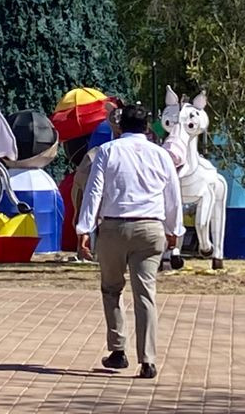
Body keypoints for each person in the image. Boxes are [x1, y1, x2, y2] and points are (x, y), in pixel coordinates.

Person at [75, 103, 184, 381]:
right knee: (145, 294)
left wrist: (84, 227)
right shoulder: (161, 155)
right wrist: (174, 230)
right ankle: (147, 359)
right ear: (147, 127)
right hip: (150, 228)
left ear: (120, 126)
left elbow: (93, 191)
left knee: (111, 289)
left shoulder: (108, 151)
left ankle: (118, 350)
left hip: (114, 226)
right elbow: (173, 195)